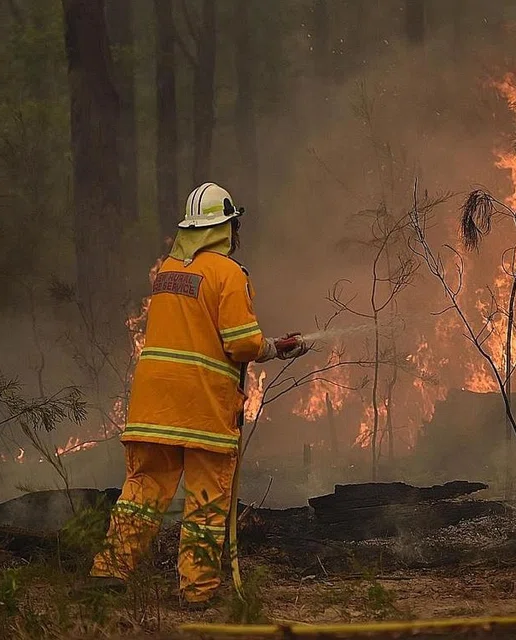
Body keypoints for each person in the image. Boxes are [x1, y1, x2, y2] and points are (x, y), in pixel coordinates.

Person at [89, 182, 310, 605]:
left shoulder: (166, 273)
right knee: (206, 502)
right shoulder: (228, 273)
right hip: (202, 410)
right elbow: (241, 344)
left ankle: (110, 570)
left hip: (152, 408)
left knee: (142, 491)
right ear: (225, 229)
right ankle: (197, 591)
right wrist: (273, 348)